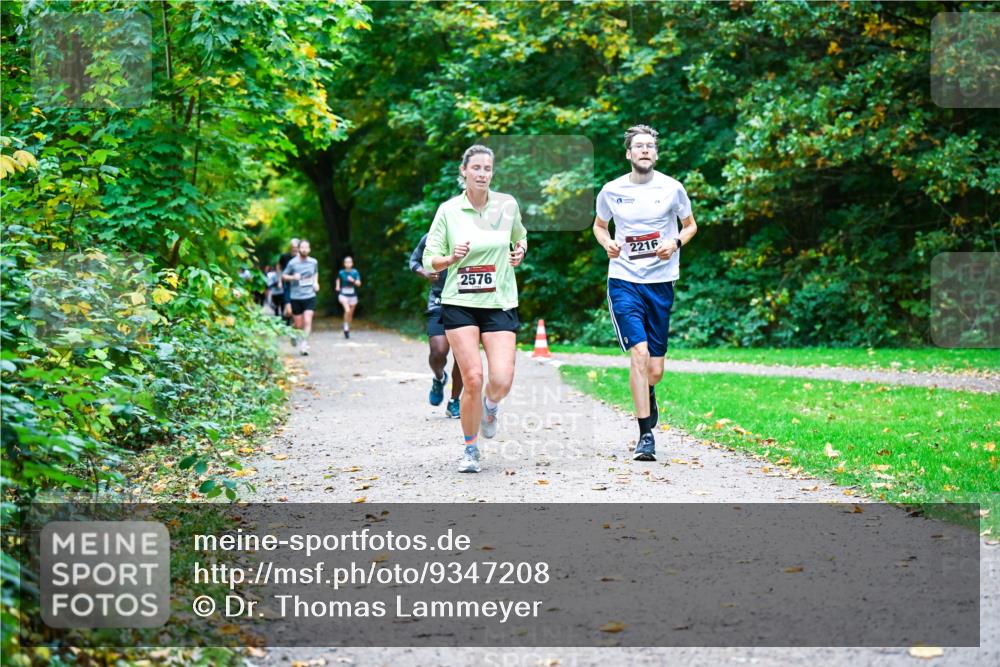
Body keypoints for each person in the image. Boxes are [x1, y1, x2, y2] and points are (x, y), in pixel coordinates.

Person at [592, 124, 698, 462]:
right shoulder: (611, 190)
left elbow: (690, 225)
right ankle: (645, 435)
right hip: (624, 280)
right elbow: (599, 225)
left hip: (661, 282)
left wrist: (676, 242)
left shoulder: (672, 188)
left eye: (650, 146)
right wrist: (607, 242)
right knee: (638, 354)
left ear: (656, 153)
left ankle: (648, 391)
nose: (645, 151)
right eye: (639, 146)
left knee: (654, 369)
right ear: (628, 154)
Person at [423, 144, 527, 473]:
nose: (482, 174)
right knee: (473, 377)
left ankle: (491, 406)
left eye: (487, 168)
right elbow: (430, 260)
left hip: (498, 302)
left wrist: (520, 251)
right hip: (460, 302)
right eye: (476, 168)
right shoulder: (449, 211)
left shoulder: (507, 205)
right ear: (464, 171)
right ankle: (470, 449)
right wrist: (452, 257)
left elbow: (520, 237)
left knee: (501, 379)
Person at [410, 233, 463, 418]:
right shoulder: (430, 238)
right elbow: (414, 261)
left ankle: (454, 401)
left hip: (467, 302)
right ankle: (439, 378)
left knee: (462, 357)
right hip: (439, 301)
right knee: (438, 352)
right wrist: (425, 272)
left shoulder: (474, 235)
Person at [282, 239, 319, 355]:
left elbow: (315, 273)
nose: (304, 249)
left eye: (306, 247)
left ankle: (304, 345)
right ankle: (294, 332)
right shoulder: (293, 263)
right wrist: (293, 277)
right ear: (298, 249)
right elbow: (283, 276)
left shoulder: (313, 262)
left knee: (308, 321)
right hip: (296, 297)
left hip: (309, 295)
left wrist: (316, 283)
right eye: (302, 247)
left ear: (309, 249)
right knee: (299, 325)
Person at [336, 256, 362, 339]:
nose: (348, 264)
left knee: (350, 314)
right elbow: (338, 279)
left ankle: (346, 327)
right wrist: (337, 286)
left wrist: (353, 281)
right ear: (344, 264)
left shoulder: (355, 272)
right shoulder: (341, 272)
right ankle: (346, 327)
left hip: (352, 295)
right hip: (343, 294)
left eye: (350, 262)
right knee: (347, 310)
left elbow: (359, 283)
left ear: (352, 263)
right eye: (346, 262)